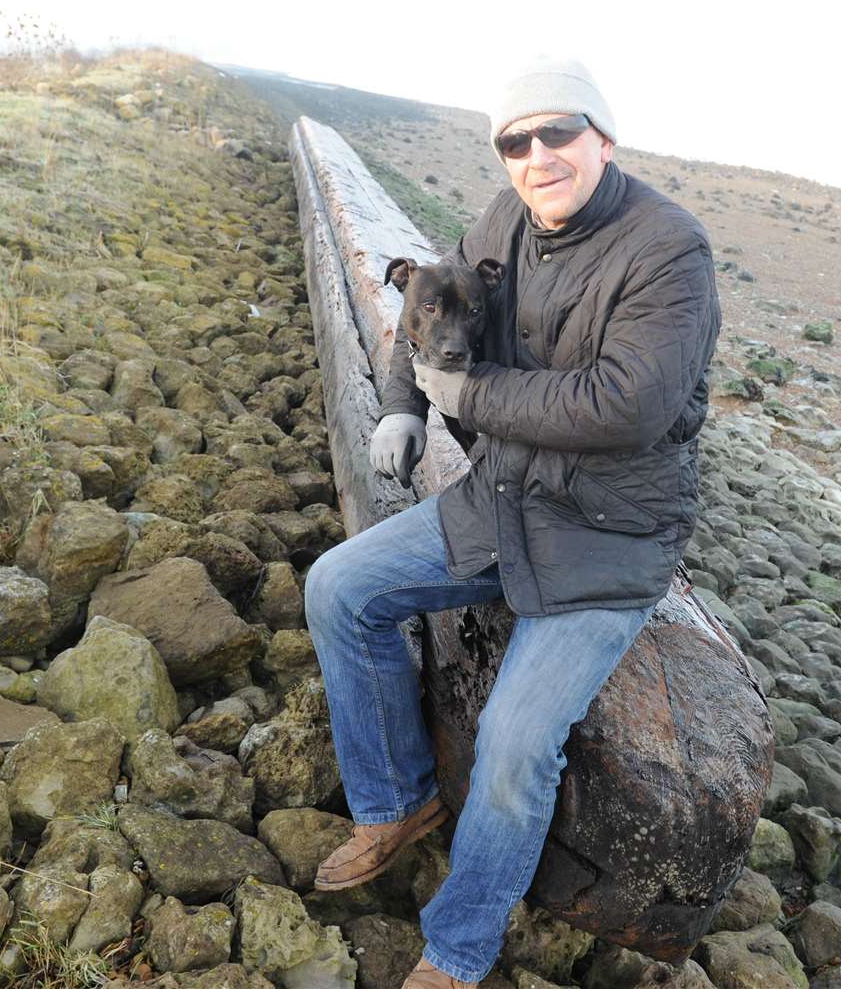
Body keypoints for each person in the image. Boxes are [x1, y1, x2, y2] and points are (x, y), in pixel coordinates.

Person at [303, 57, 721, 989]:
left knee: (515, 743)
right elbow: (432, 309)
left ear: (600, 140)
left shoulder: (668, 251)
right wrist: (407, 405)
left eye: (556, 133)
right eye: (514, 141)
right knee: (338, 586)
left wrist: (471, 392)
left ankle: (457, 948)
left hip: (608, 534)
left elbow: (628, 406)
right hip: (500, 499)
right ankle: (397, 802)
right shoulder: (503, 223)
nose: (536, 154)